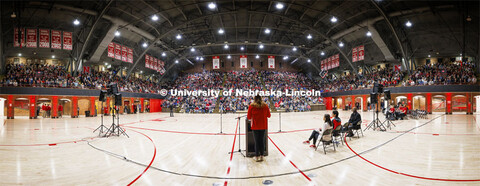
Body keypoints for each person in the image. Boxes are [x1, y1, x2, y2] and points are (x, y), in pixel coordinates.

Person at [247, 95, 271, 162]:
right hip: (263, 126)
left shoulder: (251, 106)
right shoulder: (265, 106)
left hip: (255, 126)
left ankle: (257, 156)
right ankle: (262, 156)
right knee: (262, 141)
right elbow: (269, 115)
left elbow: (249, 117)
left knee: (256, 141)